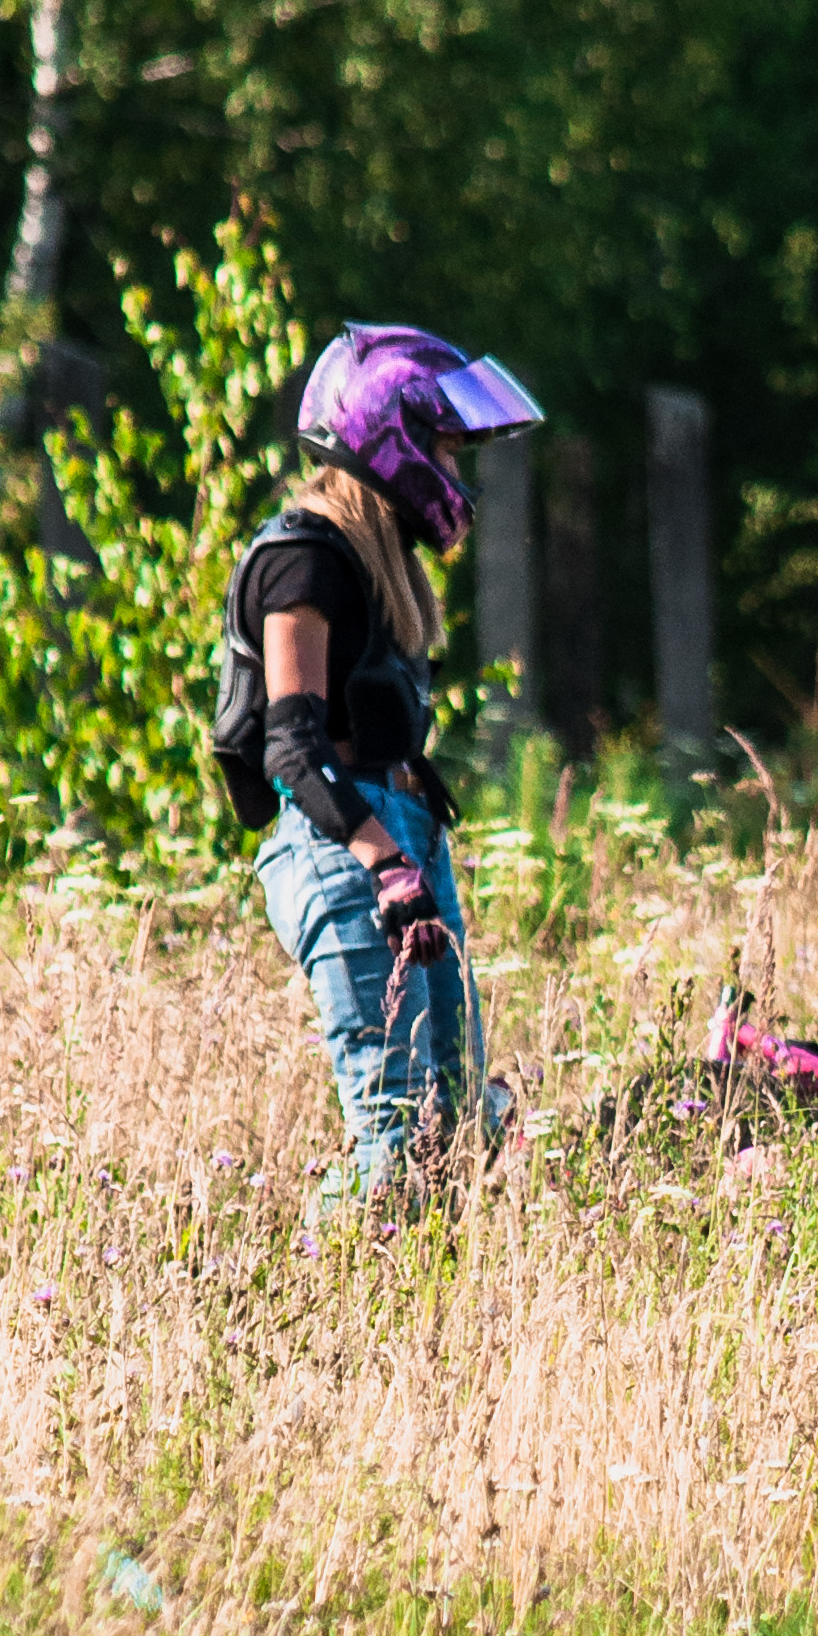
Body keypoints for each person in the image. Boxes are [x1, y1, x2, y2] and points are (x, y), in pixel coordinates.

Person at [217, 325, 542, 1212]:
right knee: (398, 1139)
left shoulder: (374, 564)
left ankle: (424, 1324)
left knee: (461, 1125)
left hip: (402, 835)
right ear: (390, 437)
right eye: (445, 447)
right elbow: (291, 746)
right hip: (346, 848)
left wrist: (411, 853)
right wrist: (385, 865)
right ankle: (314, 1295)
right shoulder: (302, 561)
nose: (457, 473)